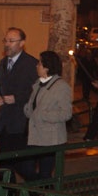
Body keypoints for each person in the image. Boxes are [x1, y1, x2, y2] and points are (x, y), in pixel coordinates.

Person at [0, 27, 38, 180]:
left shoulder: (32, 64)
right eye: (5, 41)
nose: (7, 44)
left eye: (11, 41)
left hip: (22, 124)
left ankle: (42, 189)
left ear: (22, 43)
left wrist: (17, 98)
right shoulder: (3, 63)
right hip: (5, 124)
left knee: (24, 167)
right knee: (5, 168)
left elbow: (36, 92)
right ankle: (7, 193)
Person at [22, 51, 72, 180]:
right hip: (35, 135)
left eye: (39, 63)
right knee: (26, 167)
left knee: (45, 173)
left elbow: (66, 113)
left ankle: (46, 191)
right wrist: (27, 110)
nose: (37, 66)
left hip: (50, 138)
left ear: (47, 67)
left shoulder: (61, 86)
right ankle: (39, 188)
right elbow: (33, 105)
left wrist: (43, 115)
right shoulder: (37, 84)